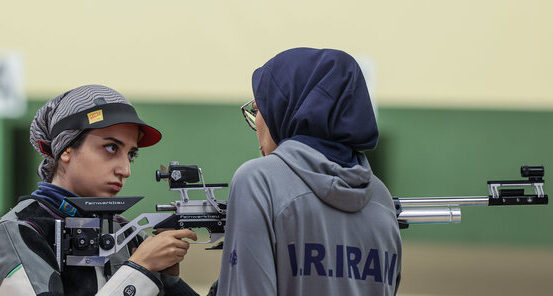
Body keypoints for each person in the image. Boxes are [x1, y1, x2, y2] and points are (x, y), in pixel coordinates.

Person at [216, 48, 402, 295]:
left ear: (284, 108)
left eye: (259, 108)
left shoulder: (258, 180)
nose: (256, 122)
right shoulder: (381, 197)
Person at [0, 85, 199, 296]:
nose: (125, 170)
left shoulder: (128, 235)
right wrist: (141, 269)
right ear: (65, 148)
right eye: (111, 147)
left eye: (131, 154)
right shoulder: (17, 231)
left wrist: (171, 282)